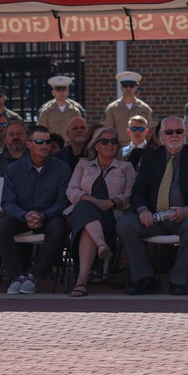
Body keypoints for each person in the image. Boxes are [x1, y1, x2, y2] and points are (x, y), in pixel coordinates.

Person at [116, 116, 188, 296]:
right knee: (125, 225)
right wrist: (142, 209)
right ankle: (145, 278)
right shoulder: (150, 157)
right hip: (154, 219)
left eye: (179, 131)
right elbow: (138, 191)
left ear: (185, 134)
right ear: (161, 136)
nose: (174, 135)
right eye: (169, 132)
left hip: (184, 218)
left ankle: (178, 280)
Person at [0, 125, 71, 294]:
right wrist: (24, 215)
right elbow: (7, 202)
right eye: (39, 141)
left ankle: (34, 275)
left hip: (49, 216)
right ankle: (16, 276)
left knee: (59, 227)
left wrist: (44, 215)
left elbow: (63, 201)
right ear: (29, 144)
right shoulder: (13, 169)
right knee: (2, 226)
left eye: (47, 141)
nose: (45, 146)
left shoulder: (62, 168)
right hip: (22, 216)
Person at [65, 126, 135, 297]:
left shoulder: (126, 167)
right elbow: (71, 190)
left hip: (111, 214)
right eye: (104, 141)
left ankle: (81, 281)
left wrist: (112, 202)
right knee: (84, 208)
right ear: (96, 145)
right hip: (85, 209)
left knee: (86, 224)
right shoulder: (83, 165)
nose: (109, 144)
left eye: (113, 141)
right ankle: (101, 245)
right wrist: (95, 201)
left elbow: (130, 194)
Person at [103, 72, 155, 144]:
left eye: (131, 85)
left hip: (140, 147)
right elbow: (107, 129)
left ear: (136, 87)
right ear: (121, 87)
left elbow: (152, 128)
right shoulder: (112, 108)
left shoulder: (145, 108)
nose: (128, 88)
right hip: (119, 148)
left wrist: (146, 145)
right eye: (125, 85)